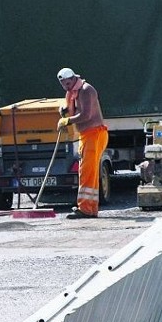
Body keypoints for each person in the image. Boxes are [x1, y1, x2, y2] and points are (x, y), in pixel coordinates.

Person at [56, 67, 109, 219]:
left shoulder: (86, 90)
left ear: (73, 79)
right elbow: (77, 107)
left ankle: (85, 209)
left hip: (95, 134)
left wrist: (67, 120)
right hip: (87, 135)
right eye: (63, 84)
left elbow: (86, 114)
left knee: (87, 173)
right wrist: (66, 109)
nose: (66, 86)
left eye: (67, 83)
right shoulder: (73, 93)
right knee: (89, 172)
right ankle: (90, 208)